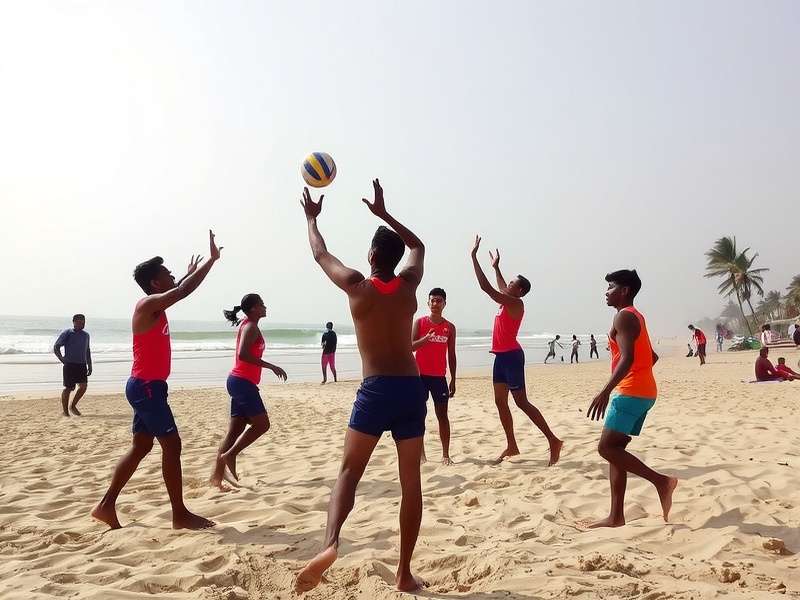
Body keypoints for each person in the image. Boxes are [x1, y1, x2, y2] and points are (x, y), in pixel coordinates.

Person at [295, 180, 427, 593]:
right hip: (411, 389)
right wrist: (384, 214)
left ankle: (331, 543)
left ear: (371, 256)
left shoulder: (357, 286)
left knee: (349, 473)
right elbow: (418, 245)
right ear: (393, 258)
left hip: (375, 391)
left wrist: (313, 218)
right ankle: (404, 572)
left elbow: (319, 253)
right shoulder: (408, 287)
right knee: (411, 483)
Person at [92, 235, 221, 530]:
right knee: (172, 445)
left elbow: (179, 288)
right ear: (155, 284)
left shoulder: (155, 305)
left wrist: (188, 273)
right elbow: (183, 291)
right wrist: (211, 262)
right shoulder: (147, 305)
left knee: (140, 447)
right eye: (167, 274)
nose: (173, 275)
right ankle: (180, 514)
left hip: (148, 386)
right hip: (146, 387)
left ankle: (105, 506)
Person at [584, 269, 677, 528]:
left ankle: (662, 482)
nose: (606, 291)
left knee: (606, 448)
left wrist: (605, 391)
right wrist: (639, 376)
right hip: (644, 390)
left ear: (624, 291)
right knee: (616, 451)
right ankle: (616, 517)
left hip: (631, 392)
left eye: (611, 286)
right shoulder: (635, 316)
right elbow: (651, 357)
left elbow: (628, 359)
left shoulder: (624, 317)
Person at [470, 238, 562, 466]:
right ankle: (512, 445)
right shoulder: (508, 299)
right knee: (500, 402)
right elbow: (500, 287)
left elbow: (487, 288)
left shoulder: (515, 304)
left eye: (512, 282)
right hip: (500, 357)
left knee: (521, 402)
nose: (507, 283)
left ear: (519, 290)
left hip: (511, 357)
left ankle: (553, 440)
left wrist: (473, 257)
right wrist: (496, 268)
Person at [210, 294, 287, 489]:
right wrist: (271, 366)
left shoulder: (248, 323)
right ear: (253, 308)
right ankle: (231, 455)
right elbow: (243, 354)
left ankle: (216, 478)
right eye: (261, 304)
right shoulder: (251, 327)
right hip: (242, 382)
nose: (265, 306)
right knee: (262, 425)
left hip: (239, 382)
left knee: (234, 431)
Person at [412, 287, 457, 465]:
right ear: (428, 303)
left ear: (444, 303)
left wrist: (453, 378)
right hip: (420, 376)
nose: (435, 304)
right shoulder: (420, 322)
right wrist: (425, 339)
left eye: (439, 300)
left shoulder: (449, 327)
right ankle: (422, 455)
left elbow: (451, 355)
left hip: (439, 378)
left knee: (442, 416)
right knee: (419, 415)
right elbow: (410, 346)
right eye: (432, 300)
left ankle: (445, 454)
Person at [53, 314, 92, 416]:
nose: (82, 324)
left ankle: (73, 405)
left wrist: (90, 365)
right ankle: (65, 412)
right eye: (80, 322)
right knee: (69, 388)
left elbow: (87, 350)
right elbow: (56, 346)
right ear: (74, 322)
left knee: (83, 386)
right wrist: (62, 359)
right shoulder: (68, 333)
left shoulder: (86, 335)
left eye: (84, 322)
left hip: (82, 365)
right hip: (70, 364)